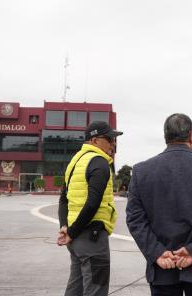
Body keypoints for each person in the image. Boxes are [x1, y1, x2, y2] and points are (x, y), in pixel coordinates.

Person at [126, 113, 192, 296]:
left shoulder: (141, 171)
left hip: (162, 267)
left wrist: (157, 252)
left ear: (165, 137)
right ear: (191, 135)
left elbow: (135, 219)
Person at [57, 121, 123, 296]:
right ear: (94, 140)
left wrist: (65, 227)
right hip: (91, 237)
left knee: (75, 287)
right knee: (96, 289)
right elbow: (93, 203)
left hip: (75, 238)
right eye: (109, 139)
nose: (113, 144)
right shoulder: (99, 162)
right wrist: (71, 232)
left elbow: (63, 199)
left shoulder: (75, 161)